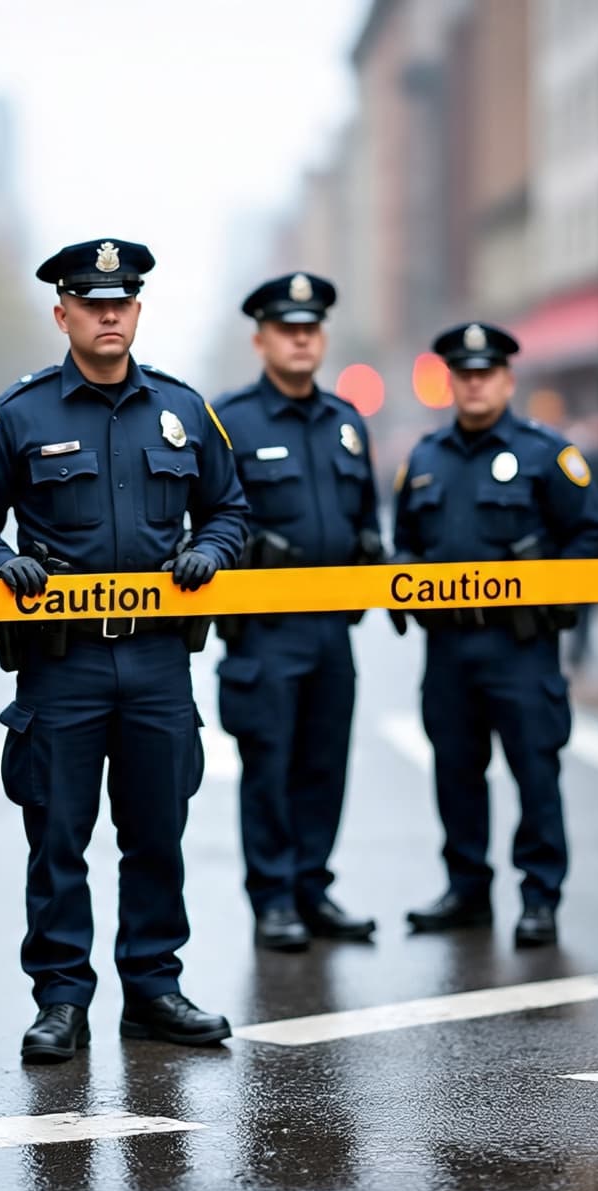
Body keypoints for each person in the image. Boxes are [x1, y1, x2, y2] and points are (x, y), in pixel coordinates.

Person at [0, 238, 248, 1063]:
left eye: (121, 303)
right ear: (64, 314)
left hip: (157, 662)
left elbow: (230, 506)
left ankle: (154, 987)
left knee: (157, 832)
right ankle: (61, 1001)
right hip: (63, 662)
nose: (108, 314)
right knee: (58, 839)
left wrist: (213, 550)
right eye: (92, 303)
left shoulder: (185, 411)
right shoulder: (21, 414)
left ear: (138, 313)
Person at [394, 323, 598, 947]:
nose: (475, 383)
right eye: (464, 374)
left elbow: (589, 537)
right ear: (451, 382)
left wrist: (550, 598)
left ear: (508, 380)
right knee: (456, 772)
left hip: (522, 648)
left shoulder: (547, 453)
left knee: (535, 773)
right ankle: (467, 889)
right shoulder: (425, 456)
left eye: (486, 373)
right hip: (449, 650)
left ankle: (539, 896)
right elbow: (405, 540)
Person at [212, 272, 380, 952]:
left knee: (323, 763)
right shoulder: (230, 419)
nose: (302, 338)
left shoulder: (345, 421)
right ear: (260, 339)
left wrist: (371, 549)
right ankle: (274, 895)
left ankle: (312, 886)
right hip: (265, 629)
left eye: (311, 328)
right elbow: (208, 516)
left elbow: (364, 511)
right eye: (288, 328)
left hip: (331, 629)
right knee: (270, 765)